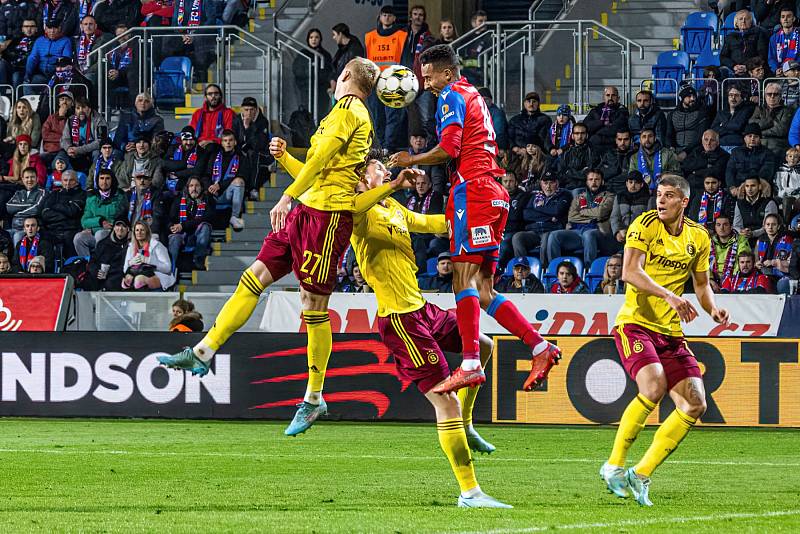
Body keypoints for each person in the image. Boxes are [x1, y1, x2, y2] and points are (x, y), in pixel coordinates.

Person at [159, 58, 382, 437]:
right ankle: (202, 353)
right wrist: (286, 160)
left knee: (313, 306)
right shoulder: (340, 114)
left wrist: (286, 198)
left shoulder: (349, 112)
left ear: (345, 75)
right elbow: (317, 169)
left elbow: (321, 166)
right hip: (308, 211)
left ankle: (313, 398)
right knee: (253, 278)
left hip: (327, 219)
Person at [388, 44, 560, 395]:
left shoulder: (451, 95)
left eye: (429, 75)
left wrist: (412, 159)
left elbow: (449, 149)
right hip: (493, 192)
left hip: (474, 191)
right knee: (483, 289)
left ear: (447, 72)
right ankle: (541, 347)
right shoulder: (472, 95)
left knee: (461, 278)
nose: (425, 83)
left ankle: (469, 363)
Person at [347, 155, 509, 507]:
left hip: (422, 310)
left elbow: (431, 223)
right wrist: (392, 184)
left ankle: (466, 425)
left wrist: (473, 214)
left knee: (483, 346)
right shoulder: (356, 210)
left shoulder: (393, 209)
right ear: (362, 177)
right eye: (378, 169)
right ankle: (470, 492)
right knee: (445, 399)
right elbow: (360, 204)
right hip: (401, 322)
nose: (385, 171)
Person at [600, 174, 730, 507]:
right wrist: (670, 296)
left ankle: (640, 475)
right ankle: (613, 465)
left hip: (670, 332)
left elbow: (701, 285)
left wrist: (713, 309)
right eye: (659, 194)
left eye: (668, 195)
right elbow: (629, 271)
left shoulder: (698, 237)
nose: (660, 200)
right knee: (654, 386)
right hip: (636, 324)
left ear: (683, 201)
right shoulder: (644, 225)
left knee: (695, 403)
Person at [547, 169, 616, 266]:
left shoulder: (609, 196)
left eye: (597, 179)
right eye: (591, 179)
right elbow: (571, 217)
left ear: (602, 181)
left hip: (598, 232)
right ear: (587, 182)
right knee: (554, 235)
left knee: (588, 234)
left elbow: (600, 213)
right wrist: (591, 217)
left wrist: (582, 212)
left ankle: (589, 270)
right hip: (576, 232)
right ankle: (554, 268)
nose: (594, 182)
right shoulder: (579, 197)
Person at [365, 6, 407, 152]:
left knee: (393, 118)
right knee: (377, 117)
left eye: (390, 15)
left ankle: (387, 148)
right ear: (380, 17)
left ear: (394, 18)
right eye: (384, 15)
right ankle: (381, 146)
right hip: (375, 82)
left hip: (393, 83)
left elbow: (404, 59)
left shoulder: (402, 36)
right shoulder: (370, 37)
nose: (387, 17)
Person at [511, 170, 571, 260]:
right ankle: (523, 266)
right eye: (545, 183)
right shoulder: (535, 196)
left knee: (547, 238)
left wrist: (538, 208)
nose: (548, 186)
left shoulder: (564, 195)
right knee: (517, 237)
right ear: (541, 184)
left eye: (551, 183)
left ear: (557, 183)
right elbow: (526, 214)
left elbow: (557, 210)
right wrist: (550, 217)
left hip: (551, 230)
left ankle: (545, 269)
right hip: (534, 232)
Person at [74, 168, 127, 256]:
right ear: (97, 180)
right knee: (79, 238)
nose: (104, 181)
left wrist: (93, 229)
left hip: (114, 233)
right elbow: (84, 221)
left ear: (112, 180)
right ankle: (88, 263)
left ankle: (101, 263)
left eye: (107, 178)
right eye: (101, 178)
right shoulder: (92, 197)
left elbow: (118, 220)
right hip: (96, 231)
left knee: (100, 234)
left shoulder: (120, 196)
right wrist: (100, 221)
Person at [204, 129, 249, 230]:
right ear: (222, 143)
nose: (228, 143)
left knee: (239, 181)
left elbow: (242, 176)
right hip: (212, 194)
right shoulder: (214, 156)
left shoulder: (241, 157)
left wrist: (220, 185)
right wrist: (210, 188)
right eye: (225, 140)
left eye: (230, 140)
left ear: (235, 142)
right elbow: (206, 175)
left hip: (228, 193)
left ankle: (234, 217)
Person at [167, 176, 214, 271]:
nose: (194, 188)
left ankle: (199, 259)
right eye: (191, 186)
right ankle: (171, 268)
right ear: (187, 188)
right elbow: (170, 218)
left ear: (201, 187)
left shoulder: (208, 200)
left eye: (197, 185)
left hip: (197, 235)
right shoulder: (179, 200)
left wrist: (183, 226)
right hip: (181, 235)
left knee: (205, 227)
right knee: (174, 238)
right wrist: (172, 227)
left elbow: (205, 218)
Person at [405, 170, 446, 273]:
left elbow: (432, 218)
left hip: (431, 233)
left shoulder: (436, 196)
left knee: (422, 242)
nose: (420, 186)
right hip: (414, 234)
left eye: (423, 183)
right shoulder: (411, 198)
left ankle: (421, 275)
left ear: (430, 185)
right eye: (418, 183)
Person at [40, 169, 85, 257]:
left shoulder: (82, 194)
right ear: (61, 181)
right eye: (65, 180)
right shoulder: (54, 194)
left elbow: (73, 211)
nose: (68, 183)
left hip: (71, 230)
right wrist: (66, 212)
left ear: (76, 181)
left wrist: (55, 206)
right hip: (52, 230)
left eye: (71, 180)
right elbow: (45, 214)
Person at [232, 97, 271, 198]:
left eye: (252, 110)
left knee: (253, 154)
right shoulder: (236, 120)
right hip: (241, 150)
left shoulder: (262, 121)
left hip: (260, 152)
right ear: (242, 110)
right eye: (246, 110)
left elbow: (259, 144)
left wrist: (248, 128)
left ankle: (253, 188)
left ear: (256, 110)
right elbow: (235, 140)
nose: (249, 113)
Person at [60, 96, 108, 173]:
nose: (81, 111)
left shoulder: (99, 120)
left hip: (91, 150)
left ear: (89, 108)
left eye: (83, 107)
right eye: (78, 108)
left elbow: (100, 142)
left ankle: (95, 177)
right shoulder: (71, 120)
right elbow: (65, 139)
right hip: (75, 149)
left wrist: (79, 150)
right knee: (61, 154)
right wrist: (68, 148)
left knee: (97, 153)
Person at [122, 220, 175, 290]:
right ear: (134, 232)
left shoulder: (157, 245)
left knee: (139, 280)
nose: (139, 232)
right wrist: (130, 262)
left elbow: (167, 268)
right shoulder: (131, 246)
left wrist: (149, 260)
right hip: (137, 272)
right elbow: (125, 269)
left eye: (142, 230)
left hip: (157, 274)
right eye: (137, 230)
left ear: (147, 231)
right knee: (126, 281)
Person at [293, 28, 334, 119]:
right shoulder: (303, 54)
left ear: (320, 39)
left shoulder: (325, 55)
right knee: (307, 115)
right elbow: (297, 71)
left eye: (316, 37)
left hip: (322, 91)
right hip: (307, 90)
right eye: (311, 37)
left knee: (322, 114)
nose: (314, 40)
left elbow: (330, 72)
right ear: (308, 39)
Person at [725, 123, 777, 192]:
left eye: (756, 136)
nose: (752, 139)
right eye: (750, 136)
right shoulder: (736, 152)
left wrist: (747, 186)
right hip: (737, 188)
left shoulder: (767, 154)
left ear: (760, 139)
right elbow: (730, 171)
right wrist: (731, 187)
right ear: (744, 138)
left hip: (757, 188)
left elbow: (766, 173)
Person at [628, 127, 681, 193]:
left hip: (664, 191)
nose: (647, 139)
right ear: (640, 140)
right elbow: (631, 178)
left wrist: (666, 176)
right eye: (644, 137)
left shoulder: (667, 154)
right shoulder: (634, 158)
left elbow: (679, 175)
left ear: (655, 138)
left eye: (650, 136)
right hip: (641, 193)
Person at [610, 171, 650, 254]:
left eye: (636, 183)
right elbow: (615, 217)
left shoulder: (649, 199)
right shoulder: (619, 196)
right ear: (626, 183)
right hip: (621, 235)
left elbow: (648, 222)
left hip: (639, 237)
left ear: (641, 185)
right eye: (630, 182)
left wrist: (632, 233)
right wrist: (617, 232)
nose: (633, 185)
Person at [749, 82, 793, 157]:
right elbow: (751, 124)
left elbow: (781, 130)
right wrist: (769, 122)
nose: (772, 96)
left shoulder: (787, 110)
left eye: (775, 94)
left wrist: (759, 133)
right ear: (765, 96)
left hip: (778, 145)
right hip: (759, 143)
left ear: (780, 96)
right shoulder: (759, 109)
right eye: (769, 94)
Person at [720, 9, 768, 77]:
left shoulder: (758, 34)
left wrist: (747, 66)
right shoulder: (730, 37)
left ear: (751, 22)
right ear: (736, 23)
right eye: (740, 19)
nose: (743, 21)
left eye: (747, 19)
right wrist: (734, 66)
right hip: (734, 69)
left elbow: (762, 55)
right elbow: (723, 57)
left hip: (751, 68)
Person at [666, 85, 710, 158]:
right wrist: (671, 147)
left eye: (694, 96)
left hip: (694, 150)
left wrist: (686, 151)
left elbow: (700, 137)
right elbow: (669, 134)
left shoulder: (701, 113)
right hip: (675, 150)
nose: (693, 99)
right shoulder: (672, 114)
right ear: (682, 98)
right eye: (689, 96)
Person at [497, 170, 530, 270]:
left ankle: (497, 270)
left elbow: (516, 216)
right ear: (501, 182)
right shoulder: (496, 196)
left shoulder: (523, 196)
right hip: (499, 231)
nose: (508, 184)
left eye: (511, 181)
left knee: (504, 243)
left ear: (516, 182)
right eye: (505, 181)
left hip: (514, 231)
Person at [710, 214, 751, 291]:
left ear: (731, 227)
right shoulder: (708, 242)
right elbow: (702, 264)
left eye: (725, 224)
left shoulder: (741, 240)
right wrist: (711, 280)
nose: (721, 228)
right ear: (715, 228)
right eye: (718, 225)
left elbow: (742, 261)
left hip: (734, 279)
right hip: (712, 281)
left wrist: (729, 281)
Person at [24, 20, 71, 88]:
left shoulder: (66, 41)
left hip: (58, 76)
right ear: (45, 29)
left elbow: (66, 59)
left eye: (55, 28)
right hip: (41, 75)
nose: (52, 31)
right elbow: (33, 58)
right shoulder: (39, 40)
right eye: (49, 28)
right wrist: (28, 76)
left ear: (59, 28)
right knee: (29, 82)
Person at [681, 129, 730, 194]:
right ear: (702, 141)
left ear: (717, 143)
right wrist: (705, 164)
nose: (708, 143)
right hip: (690, 184)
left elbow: (715, 171)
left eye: (712, 140)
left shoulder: (724, 155)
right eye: (706, 140)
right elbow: (685, 165)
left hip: (707, 186)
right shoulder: (696, 151)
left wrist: (695, 172)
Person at [162, 127, 208, 194]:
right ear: (181, 140)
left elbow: (197, 171)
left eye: (191, 140)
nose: (188, 143)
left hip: (187, 186)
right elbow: (165, 164)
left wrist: (176, 173)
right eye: (186, 140)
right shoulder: (173, 148)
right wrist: (185, 164)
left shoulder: (201, 152)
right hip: (168, 184)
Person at [86, 218, 129, 290]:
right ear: (114, 228)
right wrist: (96, 271)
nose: (120, 229)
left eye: (123, 226)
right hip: (100, 276)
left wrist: (109, 272)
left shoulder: (130, 245)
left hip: (117, 277)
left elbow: (125, 266)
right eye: (118, 226)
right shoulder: (103, 243)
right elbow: (93, 260)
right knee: (88, 280)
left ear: (128, 229)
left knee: (112, 282)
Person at [584, 86, 629, 153]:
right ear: (603, 97)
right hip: (593, 147)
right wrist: (602, 123)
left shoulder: (623, 111)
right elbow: (586, 127)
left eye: (613, 95)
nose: (610, 98)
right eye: (608, 95)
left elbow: (615, 129)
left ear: (618, 98)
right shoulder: (596, 110)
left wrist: (596, 135)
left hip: (613, 148)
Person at [711, 85, 756, 152]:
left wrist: (723, 124)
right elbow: (713, 129)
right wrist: (731, 129)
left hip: (737, 145)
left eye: (736, 95)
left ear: (742, 98)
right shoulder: (721, 112)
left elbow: (738, 126)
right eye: (731, 95)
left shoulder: (746, 110)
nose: (733, 98)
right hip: (721, 145)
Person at [754, 213, 793, 290]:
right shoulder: (760, 240)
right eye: (768, 224)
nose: (770, 227)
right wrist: (757, 264)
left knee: (782, 285)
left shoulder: (788, 240)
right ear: (764, 226)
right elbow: (756, 259)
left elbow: (792, 264)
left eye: (773, 224)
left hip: (782, 275)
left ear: (778, 226)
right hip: (764, 274)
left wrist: (773, 262)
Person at [6, 166, 44, 244]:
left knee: (17, 236)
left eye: (32, 177)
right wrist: (30, 205)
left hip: (29, 230)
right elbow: (9, 207)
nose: (29, 180)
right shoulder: (18, 193)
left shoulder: (41, 192)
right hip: (13, 228)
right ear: (23, 179)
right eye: (27, 177)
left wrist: (17, 212)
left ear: (37, 179)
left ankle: (18, 257)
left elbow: (36, 208)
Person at [189, 84, 235, 148]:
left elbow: (229, 136)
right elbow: (191, 133)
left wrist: (212, 142)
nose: (213, 96)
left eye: (216, 94)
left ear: (220, 96)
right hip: (199, 145)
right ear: (205, 97)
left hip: (219, 147)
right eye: (210, 94)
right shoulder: (197, 113)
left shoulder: (228, 113)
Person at [558, 122, 600, 190]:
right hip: (566, 185)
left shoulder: (592, 150)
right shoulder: (566, 151)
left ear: (586, 135)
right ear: (572, 136)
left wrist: (569, 172)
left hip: (583, 186)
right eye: (577, 133)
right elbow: (561, 172)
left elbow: (589, 173)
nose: (580, 136)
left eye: (582, 133)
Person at [0, 18, 38, 88]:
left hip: (25, 69)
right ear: (22, 29)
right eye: (26, 26)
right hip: (11, 67)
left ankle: (16, 98)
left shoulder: (39, 40)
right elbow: (5, 54)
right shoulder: (15, 39)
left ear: (36, 29)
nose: (29, 29)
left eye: (32, 26)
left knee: (16, 76)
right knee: (1, 64)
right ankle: (2, 95)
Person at [40, 91, 73, 166]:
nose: (64, 102)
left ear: (72, 103)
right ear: (59, 103)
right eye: (62, 99)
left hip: (64, 150)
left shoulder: (74, 119)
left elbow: (70, 136)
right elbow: (45, 135)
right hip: (49, 150)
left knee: (58, 162)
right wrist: (62, 137)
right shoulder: (51, 118)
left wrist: (62, 117)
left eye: (67, 99)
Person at [599, 128, 636, 194]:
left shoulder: (635, 154)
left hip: (626, 189)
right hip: (608, 188)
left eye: (626, 139)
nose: (622, 142)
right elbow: (599, 171)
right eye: (620, 139)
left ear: (631, 140)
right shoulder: (610, 154)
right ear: (616, 140)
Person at [478, 88, 508, 153]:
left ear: (491, 100)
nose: (483, 101)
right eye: (481, 99)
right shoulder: (476, 112)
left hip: (493, 146)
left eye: (485, 99)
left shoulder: (497, 113)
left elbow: (499, 133)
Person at [775, 146, 800, 218]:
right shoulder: (781, 170)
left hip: (795, 195)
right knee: (773, 201)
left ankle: (785, 222)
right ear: (786, 158)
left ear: (798, 159)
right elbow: (776, 183)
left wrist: (792, 192)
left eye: (795, 157)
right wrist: (781, 192)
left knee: (787, 200)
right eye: (790, 156)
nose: (792, 158)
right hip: (781, 193)